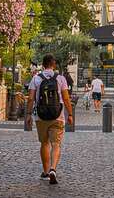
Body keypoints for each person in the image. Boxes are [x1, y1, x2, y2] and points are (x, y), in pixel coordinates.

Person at [28, 54, 73, 185]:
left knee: (44, 143)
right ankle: (53, 168)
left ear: (43, 64)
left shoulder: (36, 78)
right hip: (57, 116)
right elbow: (65, 98)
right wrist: (70, 114)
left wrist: (28, 115)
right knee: (56, 144)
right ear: (54, 65)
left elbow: (30, 98)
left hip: (41, 116)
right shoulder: (60, 78)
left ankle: (46, 171)